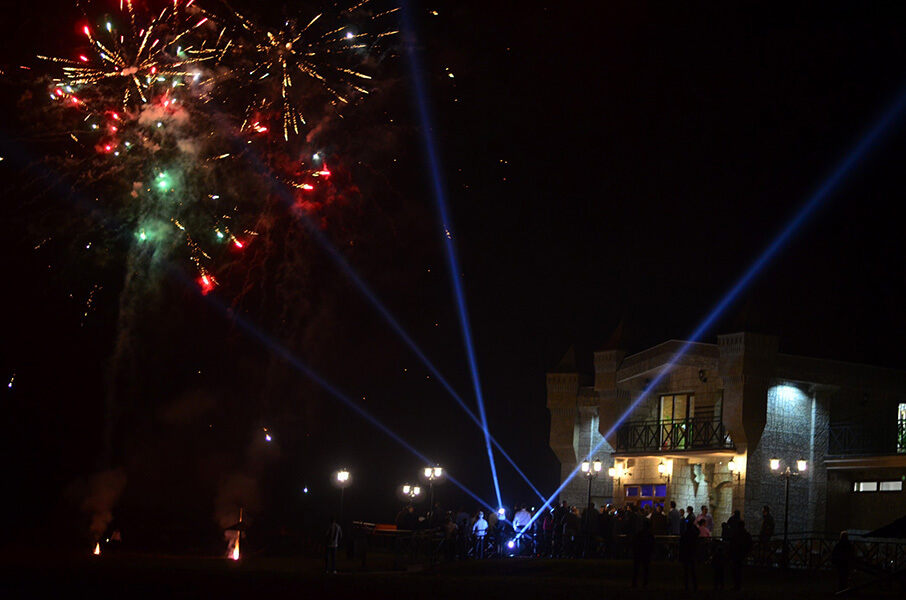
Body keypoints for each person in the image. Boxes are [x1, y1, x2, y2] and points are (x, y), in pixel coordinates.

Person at [728, 520, 753, 590]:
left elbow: (732, 544)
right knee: (739, 570)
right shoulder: (746, 535)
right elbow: (750, 544)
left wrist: (730, 553)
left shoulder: (736, 534)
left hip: (737, 554)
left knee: (735, 570)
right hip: (742, 553)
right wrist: (746, 551)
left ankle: (737, 584)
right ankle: (739, 584)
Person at [631, 519, 656, 588]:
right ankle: (645, 583)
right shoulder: (650, 534)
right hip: (646, 553)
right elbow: (652, 544)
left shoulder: (638, 533)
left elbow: (633, 542)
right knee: (646, 569)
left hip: (638, 553)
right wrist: (652, 552)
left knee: (636, 569)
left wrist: (634, 550)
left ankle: (634, 582)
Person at [678, 519, 699, 591]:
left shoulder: (684, 534)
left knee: (686, 571)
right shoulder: (694, 534)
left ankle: (686, 586)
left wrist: (680, 555)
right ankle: (695, 586)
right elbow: (698, 532)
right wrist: (695, 526)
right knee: (693, 571)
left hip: (686, 553)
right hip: (692, 553)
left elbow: (681, 545)